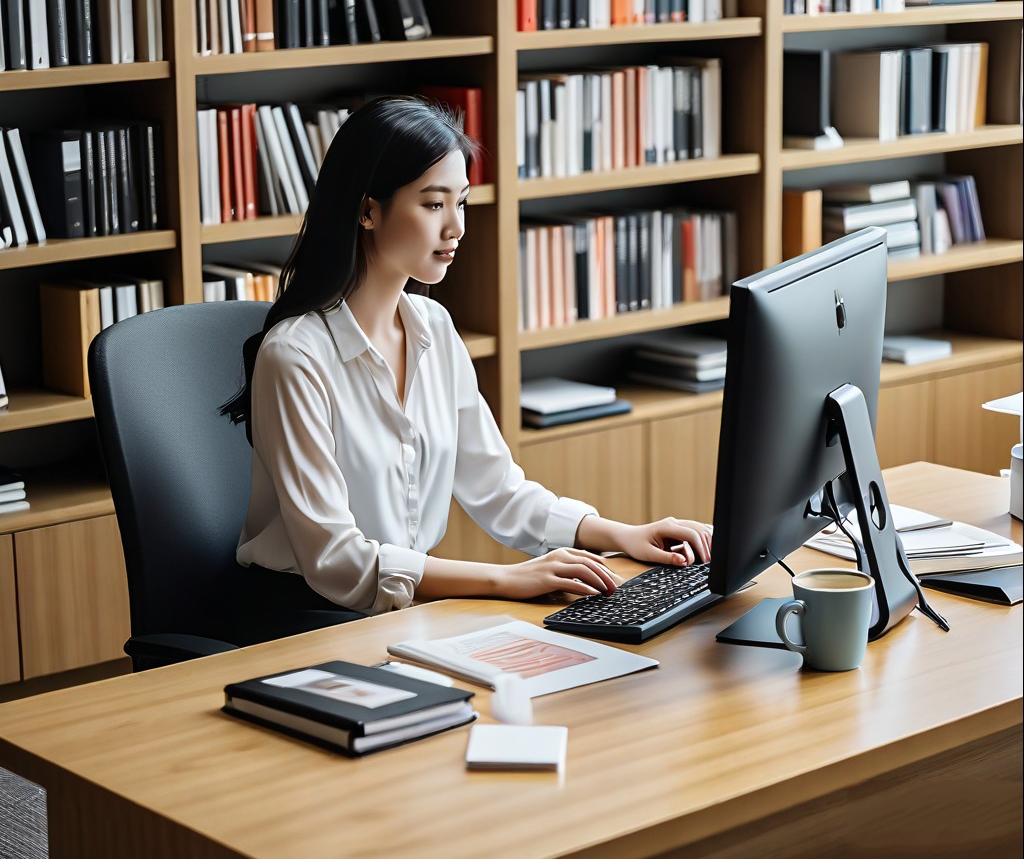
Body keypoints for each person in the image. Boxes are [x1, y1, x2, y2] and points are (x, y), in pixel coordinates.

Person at [223, 96, 711, 630]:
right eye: (433, 205)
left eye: (461, 202)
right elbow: (338, 561)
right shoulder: (295, 357)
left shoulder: (434, 329)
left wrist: (623, 534)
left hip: (400, 612)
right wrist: (509, 579)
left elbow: (498, 490)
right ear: (367, 210)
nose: (455, 227)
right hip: (301, 621)